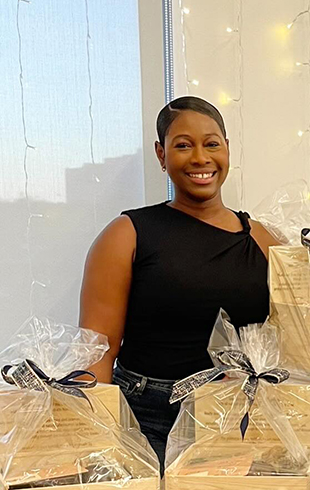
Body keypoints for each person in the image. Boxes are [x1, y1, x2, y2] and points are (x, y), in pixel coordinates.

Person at [80, 96, 279, 470]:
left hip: (238, 419)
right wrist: (98, 441)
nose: (201, 158)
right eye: (183, 145)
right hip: (147, 419)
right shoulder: (127, 234)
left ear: (227, 149)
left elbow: (294, 335)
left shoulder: (263, 240)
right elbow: (97, 352)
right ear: (161, 154)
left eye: (211, 144)